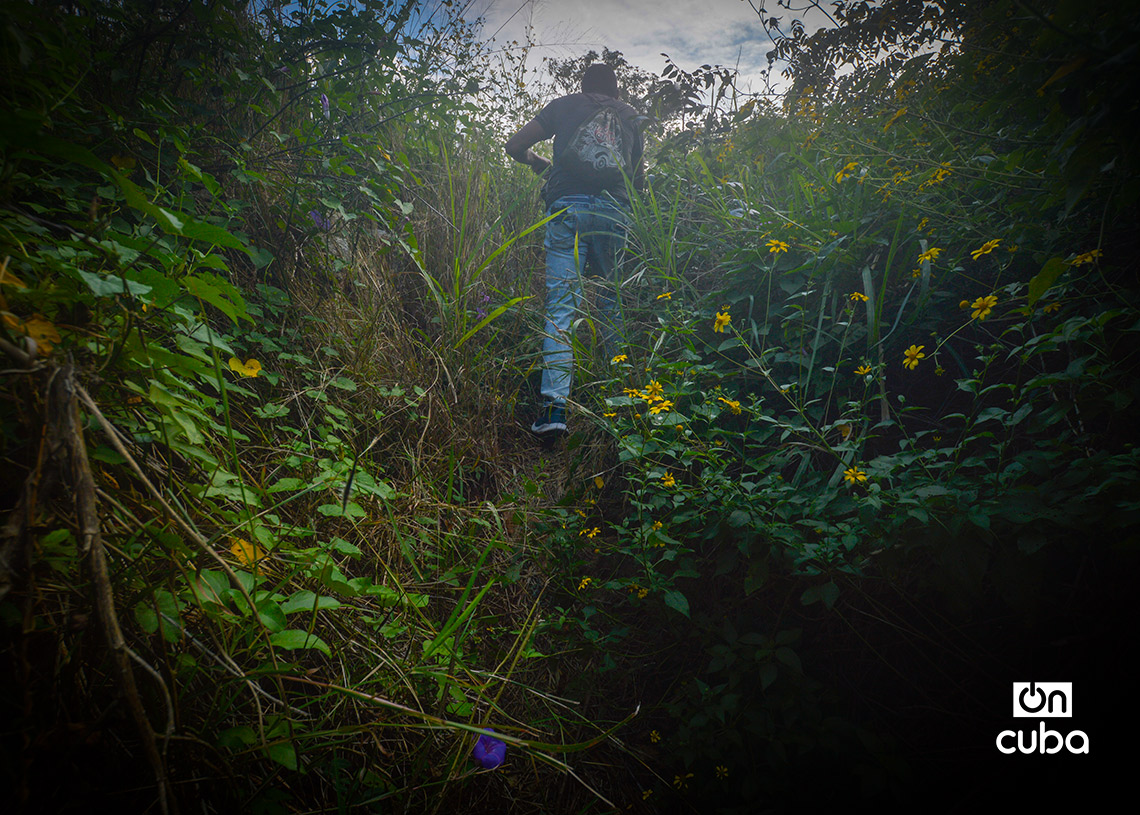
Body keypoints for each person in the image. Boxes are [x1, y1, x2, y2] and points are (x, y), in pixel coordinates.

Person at [504, 63, 645, 436]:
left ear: (582, 87)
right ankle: (621, 403)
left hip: (567, 209)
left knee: (562, 309)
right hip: (615, 214)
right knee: (613, 306)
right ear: (615, 92)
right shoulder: (629, 116)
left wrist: (541, 164)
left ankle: (553, 410)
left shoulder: (563, 105)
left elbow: (515, 145)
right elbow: (636, 181)